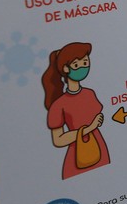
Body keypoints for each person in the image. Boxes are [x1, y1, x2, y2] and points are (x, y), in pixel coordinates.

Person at [42, 42, 111, 179]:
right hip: (78, 155)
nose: (83, 67)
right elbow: (58, 140)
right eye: (77, 64)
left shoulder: (89, 94)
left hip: (100, 148)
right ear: (66, 68)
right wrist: (88, 128)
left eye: (85, 63)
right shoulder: (59, 104)